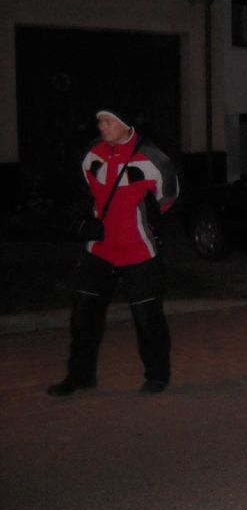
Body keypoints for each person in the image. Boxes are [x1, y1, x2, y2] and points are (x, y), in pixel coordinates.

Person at [47, 107, 179, 396]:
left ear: (125, 123)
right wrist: (82, 217)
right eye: (99, 121)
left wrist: (152, 221)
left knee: (147, 319)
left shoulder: (153, 158)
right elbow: (80, 192)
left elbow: (169, 196)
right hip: (99, 250)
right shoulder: (92, 153)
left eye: (108, 121)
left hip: (139, 252)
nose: (101, 126)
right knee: (83, 317)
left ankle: (157, 375)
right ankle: (80, 376)